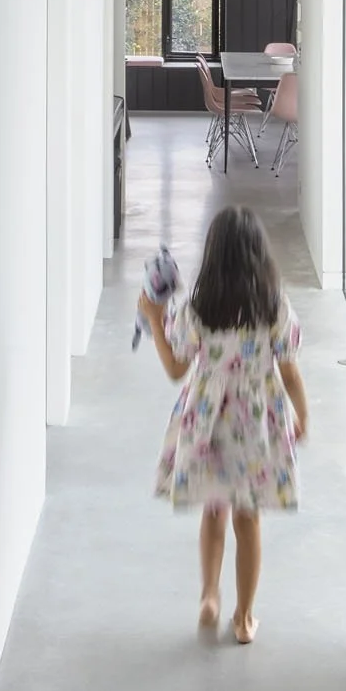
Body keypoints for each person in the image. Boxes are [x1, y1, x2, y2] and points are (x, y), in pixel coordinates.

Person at [136, 205, 309, 645]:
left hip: (208, 422)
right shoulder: (274, 306)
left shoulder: (198, 309)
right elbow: (289, 371)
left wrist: (155, 320)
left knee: (214, 511)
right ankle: (245, 617)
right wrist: (302, 414)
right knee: (248, 518)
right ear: (259, 254)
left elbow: (176, 369)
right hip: (255, 424)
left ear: (211, 255)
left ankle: (209, 595)